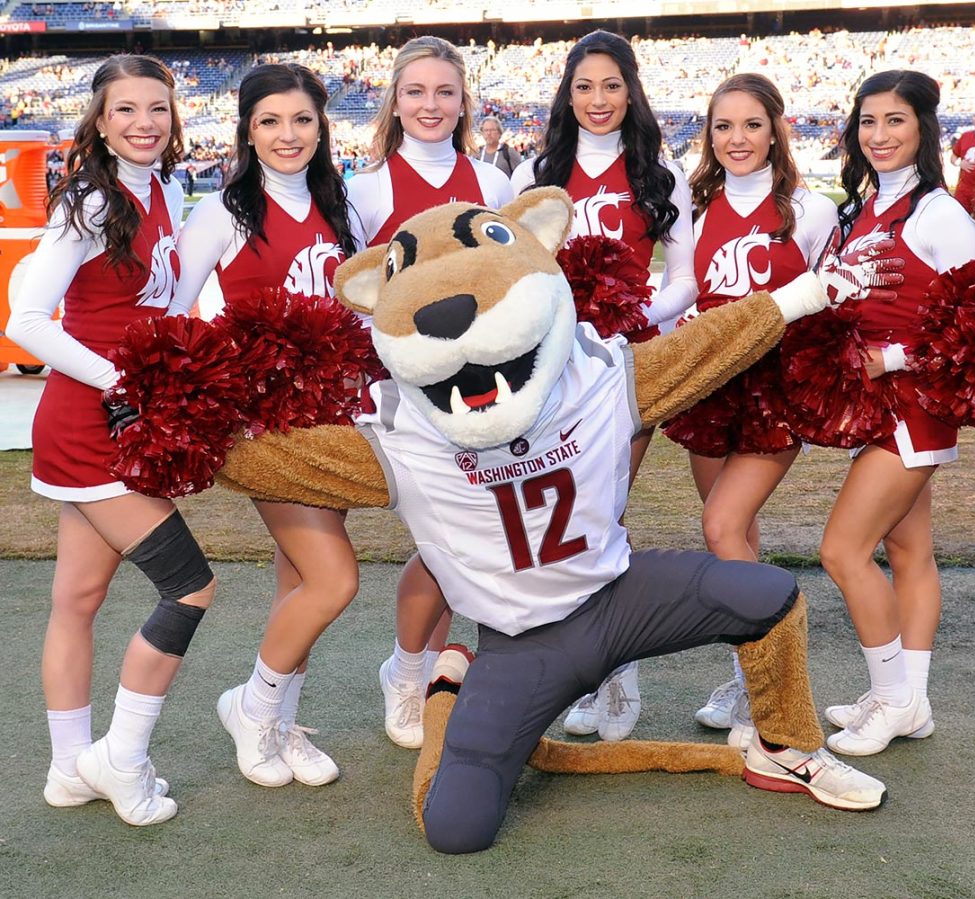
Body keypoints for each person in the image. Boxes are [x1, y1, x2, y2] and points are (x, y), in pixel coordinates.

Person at [5, 54, 215, 826]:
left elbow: (161, 304)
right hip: (89, 424)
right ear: (98, 120)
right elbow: (26, 320)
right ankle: (119, 759)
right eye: (125, 109)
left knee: (78, 597)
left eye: (157, 107)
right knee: (189, 585)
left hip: (125, 419)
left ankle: (68, 770)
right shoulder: (90, 200)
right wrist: (120, 381)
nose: (144, 123)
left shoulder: (162, 189)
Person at [510, 29, 699, 742]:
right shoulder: (534, 174)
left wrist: (629, 317)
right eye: (583, 86)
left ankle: (618, 673)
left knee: (606, 511)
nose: (597, 99)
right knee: (560, 519)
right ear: (567, 94)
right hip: (551, 369)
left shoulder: (660, 173)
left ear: (631, 91)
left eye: (611, 85)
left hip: (624, 363)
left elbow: (685, 278)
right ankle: (578, 668)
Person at [174, 63, 359, 787]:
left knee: (299, 579)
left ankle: (282, 720)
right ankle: (251, 708)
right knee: (334, 578)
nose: (288, 135)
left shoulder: (338, 205)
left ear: (321, 127)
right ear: (247, 132)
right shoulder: (223, 211)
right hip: (267, 427)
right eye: (271, 122)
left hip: (331, 418)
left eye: (302, 120)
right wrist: (223, 389)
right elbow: (174, 314)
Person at [347, 35, 513, 753]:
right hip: (409, 392)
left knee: (484, 538)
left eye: (445, 92)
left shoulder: (493, 182)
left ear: (463, 101)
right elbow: (356, 295)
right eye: (415, 91)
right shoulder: (366, 190)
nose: (430, 105)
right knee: (442, 541)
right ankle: (408, 672)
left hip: (483, 391)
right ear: (394, 101)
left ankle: (460, 675)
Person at [664, 74, 838, 741]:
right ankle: (746, 680)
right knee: (739, 535)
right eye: (723, 126)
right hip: (711, 390)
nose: (737, 139)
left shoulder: (811, 210)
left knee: (720, 526)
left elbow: (830, 304)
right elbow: (684, 289)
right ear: (709, 134)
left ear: (776, 130)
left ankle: (772, 684)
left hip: (776, 392)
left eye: (752, 125)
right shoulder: (694, 208)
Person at [818, 71, 975, 757]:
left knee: (842, 550)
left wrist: (891, 357)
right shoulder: (862, 208)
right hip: (878, 410)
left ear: (923, 128)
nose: (879, 135)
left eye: (895, 121)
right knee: (908, 551)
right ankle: (911, 700)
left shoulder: (941, 215)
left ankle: (893, 698)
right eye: (868, 121)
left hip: (915, 408)